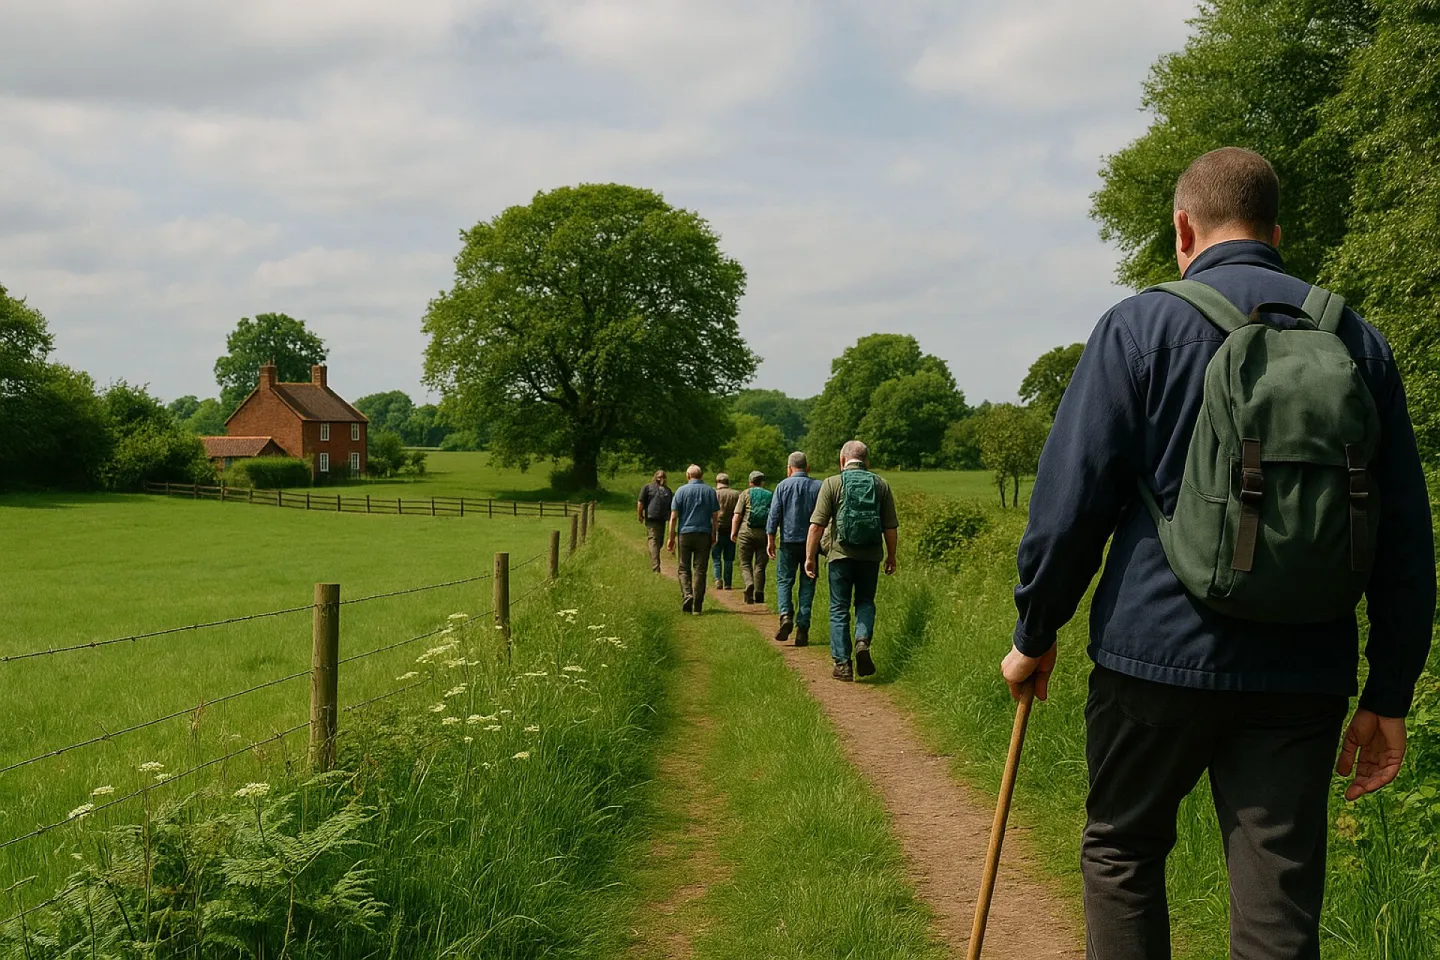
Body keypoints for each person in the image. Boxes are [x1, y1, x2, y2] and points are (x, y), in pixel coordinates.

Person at [1000, 148, 1435, 958]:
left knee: (1124, 853)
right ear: (1276, 232)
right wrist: (1391, 688)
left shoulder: (1139, 326)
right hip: (1303, 671)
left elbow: (1070, 505)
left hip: (1152, 660)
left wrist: (1035, 631)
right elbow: (1406, 535)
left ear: (1182, 228)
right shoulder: (1358, 342)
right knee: (1278, 900)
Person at [806, 440, 898, 682]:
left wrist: (810, 558)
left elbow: (817, 526)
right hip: (870, 556)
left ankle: (843, 665)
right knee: (865, 601)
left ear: (842, 460)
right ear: (867, 462)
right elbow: (890, 526)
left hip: (839, 556)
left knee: (839, 608)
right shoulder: (881, 484)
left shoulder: (832, 483)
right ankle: (862, 640)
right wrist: (892, 555)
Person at [767, 451, 822, 646]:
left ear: (789, 468)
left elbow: (774, 515)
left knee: (784, 581)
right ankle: (803, 628)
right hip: (811, 544)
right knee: (808, 583)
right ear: (807, 467)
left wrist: (771, 539)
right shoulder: (818, 486)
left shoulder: (782, 486)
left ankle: (785, 616)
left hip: (788, 542)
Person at [667, 464, 720, 614]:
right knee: (700, 570)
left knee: (684, 568)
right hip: (704, 533)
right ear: (701, 475)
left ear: (688, 476)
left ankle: (687, 594)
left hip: (685, 533)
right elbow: (715, 517)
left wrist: (671, 537)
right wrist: (714, 534)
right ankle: (697, 605)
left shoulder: (681, 491)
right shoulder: (710, 491)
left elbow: (673, 517)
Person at [732, 470, 772, 604]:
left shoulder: (745, 494)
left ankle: (749, 583)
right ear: (762, 482)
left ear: (750, 482)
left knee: (745, 563)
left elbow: (737, 515)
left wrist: (734, 532)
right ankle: (759, 593)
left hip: (745, 532)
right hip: (764, 533)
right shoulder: (769, 495)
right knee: (760, 564)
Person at [636, 470, 673, 574]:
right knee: (653, 541)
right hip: (652, 519)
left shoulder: (668, 491)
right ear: (655, 477)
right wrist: (640, 514)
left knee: (659, 543)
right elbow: (640, 502)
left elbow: (671, 506)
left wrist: (671, 518)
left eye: (663, 477)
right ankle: (656, 567)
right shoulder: (647, 488)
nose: (661, 479)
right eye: (660, 477)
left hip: (662, 519)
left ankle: (654, 558)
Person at [711, 473, 741, 591]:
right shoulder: (736, 494)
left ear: (717, 481)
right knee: (729, 558)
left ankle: (718, 578)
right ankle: (728, 583)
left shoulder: (714, 494)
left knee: (716, 556)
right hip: (731, 528)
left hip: (717, 528)